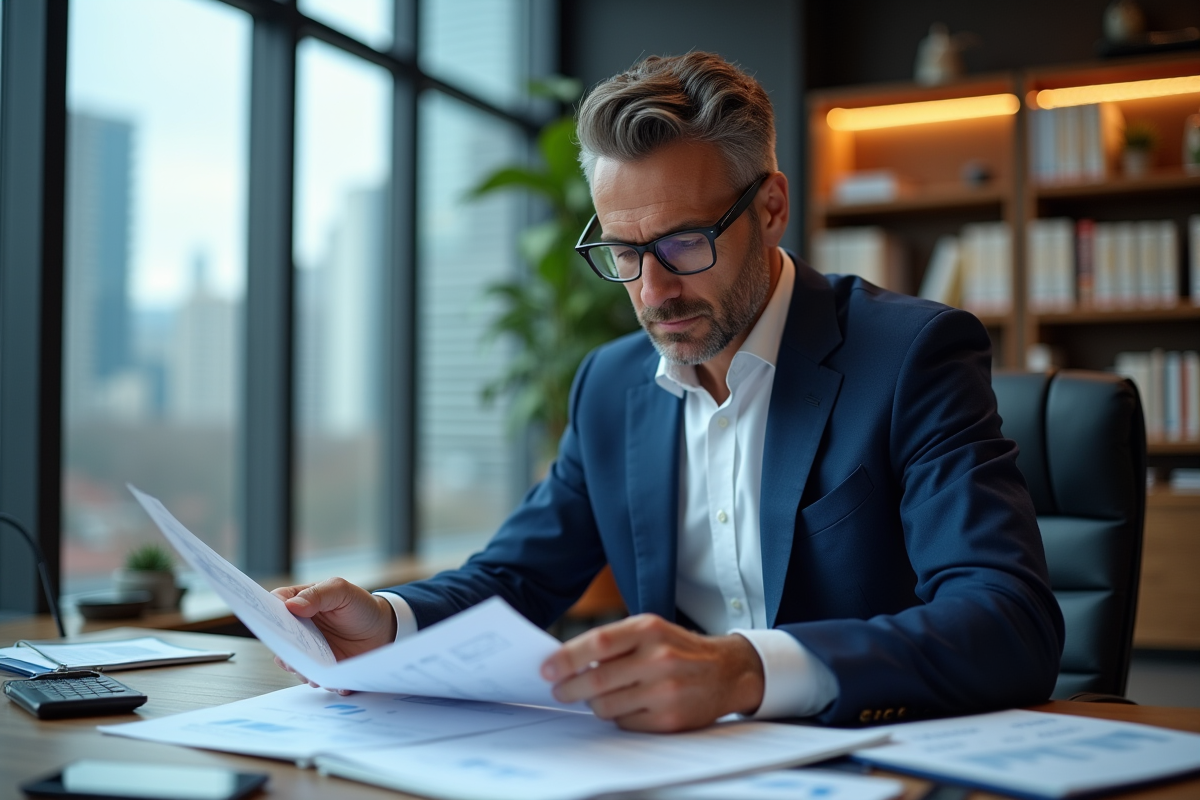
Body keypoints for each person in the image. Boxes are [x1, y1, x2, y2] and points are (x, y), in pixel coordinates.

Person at [272, 52, 1064, 733]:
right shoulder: (609, 385)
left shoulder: (911, 355)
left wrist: (744, 671)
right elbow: (515, 578)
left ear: (771, 209)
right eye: (624, 251)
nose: (653, 292)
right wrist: (388, 620)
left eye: (684, 243)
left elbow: (1008, 621)